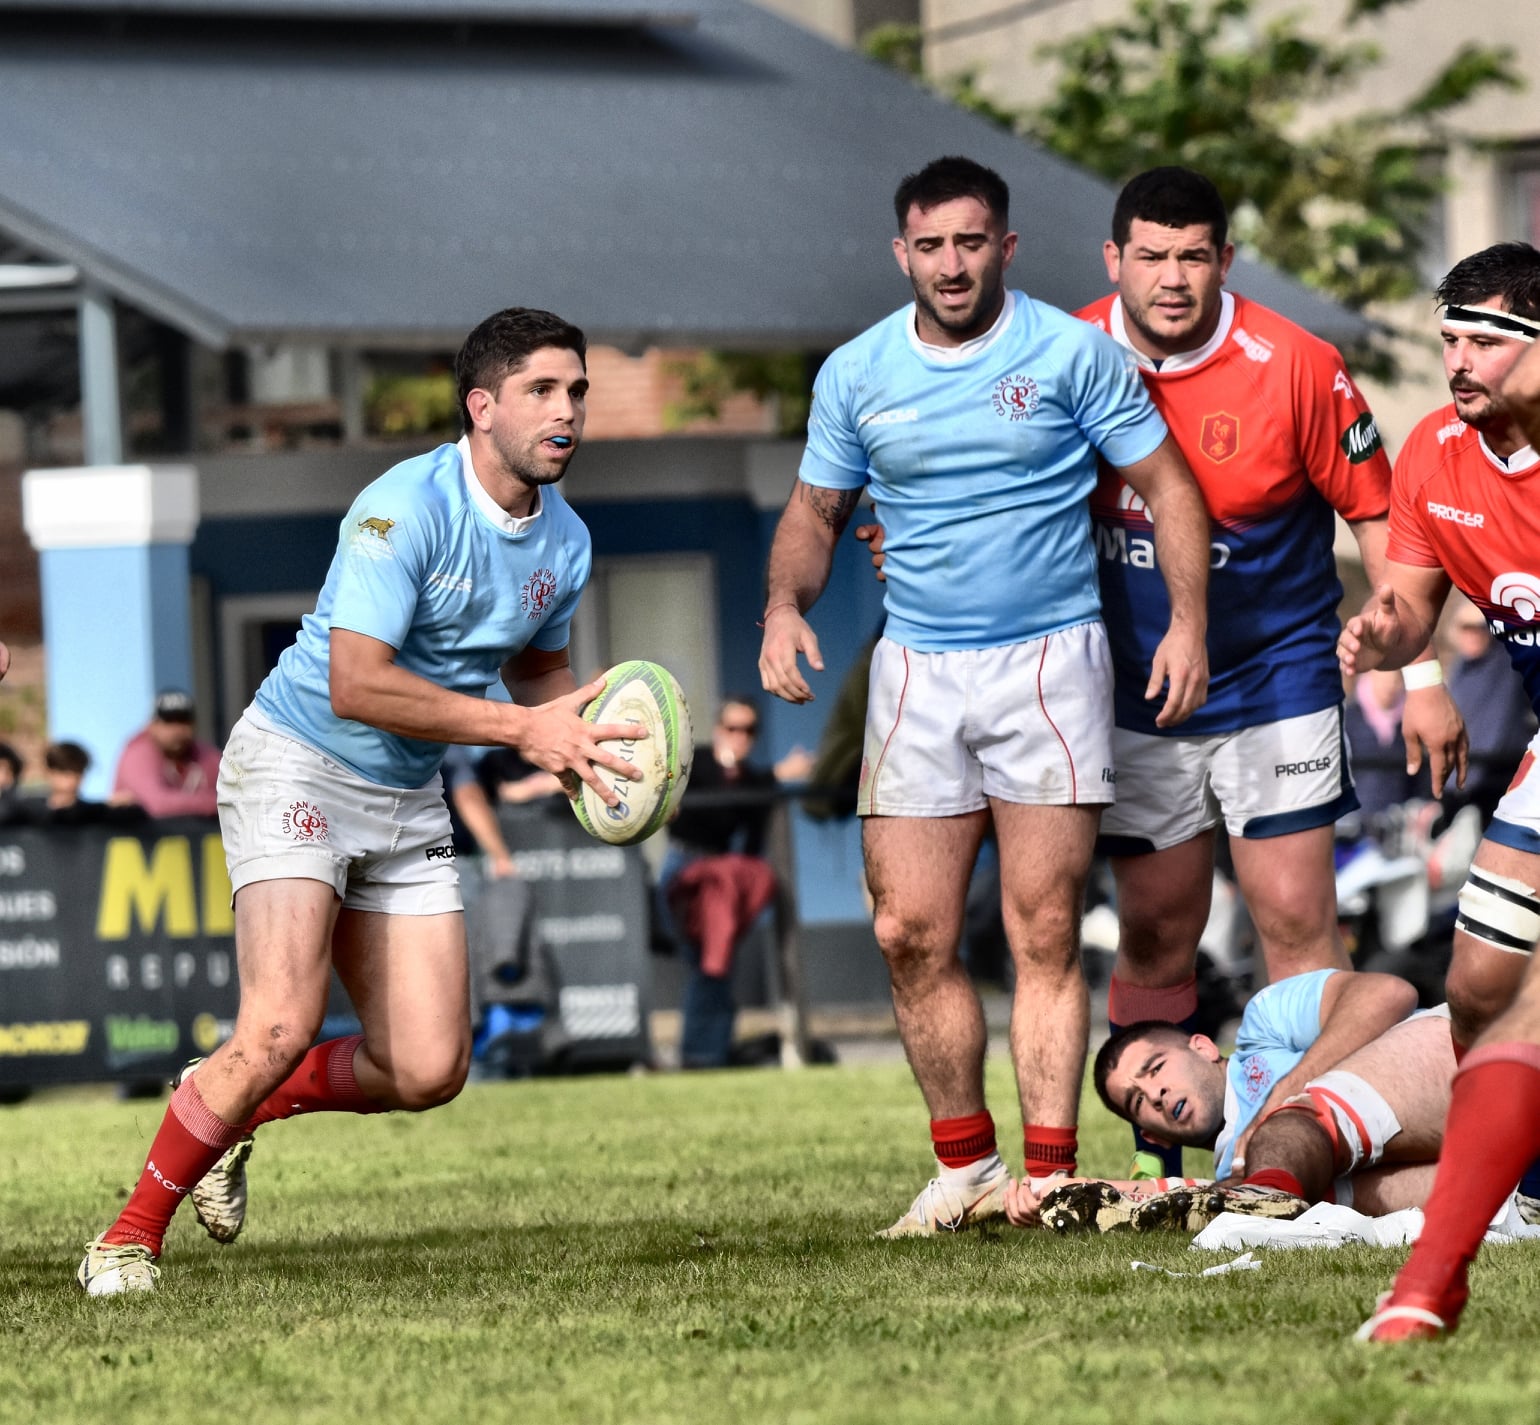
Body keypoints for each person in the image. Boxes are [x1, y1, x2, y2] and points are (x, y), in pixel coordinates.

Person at [855, 166, 1464, 1192]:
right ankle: (1164, 1170)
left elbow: (1388, 520)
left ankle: (1305, 1146)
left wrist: (1424, 669)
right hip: (1129, 687)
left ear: (1224, 261)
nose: (1171, 279)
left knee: (1290, 913)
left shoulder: (1297, 365)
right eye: (1151, 256)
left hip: (1276, 677)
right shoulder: (1055, 350)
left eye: (1192, 257)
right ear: (1114, 261)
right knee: (1153, 922)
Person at [77, 306, 645, 1295]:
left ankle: (228, 1110)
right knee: (278, 1026)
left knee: (426, 1069)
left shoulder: (569, 540)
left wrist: (581, 745)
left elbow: (539, 673)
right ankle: (125, 1239)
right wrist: (522, 732)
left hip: (404, 790)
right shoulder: (403, 507)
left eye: (579, 391)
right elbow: (356, 683)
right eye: (543, 391)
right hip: (297, 761)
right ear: (482, 406)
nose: (568, 412)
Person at [759, 155, 1213, 1236]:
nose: (951, 264)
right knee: (907, 929)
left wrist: (1188, 625)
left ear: (1004, 247)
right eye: (931, 245)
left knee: (1043, 926)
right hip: (916, 668)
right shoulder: (857, 372)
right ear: (900, 253)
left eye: (972, 242)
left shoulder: (1072, 352)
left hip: (1049, 664)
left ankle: (1049, 1176)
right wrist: (783, 608)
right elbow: (816, 514)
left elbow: (1167, 489)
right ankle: (964, 1165)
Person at [1338, 243, 1540, 1342]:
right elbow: (1409, 597)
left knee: (1515, 993)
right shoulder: (1436, 450)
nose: (1457, 361)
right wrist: (1392, 645)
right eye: (1450, 338)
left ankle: (1430, 1282)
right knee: (1476, 984)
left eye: (1485, 342)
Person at [1035, 968, 1446, 1233]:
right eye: (1137, 1101)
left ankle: (1264, 1200)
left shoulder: (1263, 1023)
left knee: (1288, 1133)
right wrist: (1070, 1192)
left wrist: (1273, 1110)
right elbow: (1200, 1195)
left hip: (1456, 1060)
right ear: (1153, 1137)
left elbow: (1388, 993)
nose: (1155, 1094)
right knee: (1333, 1196)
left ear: (1203, 1046)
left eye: (1156, 1067)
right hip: (1472, 1151)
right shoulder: (1236, 1165)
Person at [659, 696, 810, 1069]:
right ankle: (700, 1053)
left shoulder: (753, 781)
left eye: (748, 730)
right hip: (687, 869)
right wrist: (771, 774)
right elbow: (687, 816)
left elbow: (753, 842)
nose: (739, 737)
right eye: (732, 728)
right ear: (717, 729)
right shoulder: (698, 763)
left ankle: (710, 1052)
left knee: (717, 964)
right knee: (708, 965)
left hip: (721, 881)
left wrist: (766, 777)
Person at [1445, 602, 1537, 829]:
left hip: (1500, 779)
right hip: (1460, 782)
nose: (1473, 634)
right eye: (1466, 627)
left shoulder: (1507, 662)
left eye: (1480, 627)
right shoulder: (1458, 671)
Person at [111, 690, 224, 818]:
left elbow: (240, 794)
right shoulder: (138, 752)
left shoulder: (205, 755)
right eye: (168, 722)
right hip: (143, 837)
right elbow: (156, 805)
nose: (176, 730)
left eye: (183, 722)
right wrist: (217, 802)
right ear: (152, 726)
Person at [1343, 669, 1429, 822]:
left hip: (1398, 819)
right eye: (1384, 679)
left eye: (1396, 680)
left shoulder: (1412, 722)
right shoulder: (1349, 719)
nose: (1390, 686)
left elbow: (1419, 778)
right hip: (1355, 819)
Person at [34, 740, 146, 826]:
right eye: (65, 772)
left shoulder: (94, 813)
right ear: (49, 772)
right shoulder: (29, 812)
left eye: (78, 772)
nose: (72, 780)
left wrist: (123, 805)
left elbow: (137, 817)